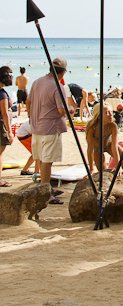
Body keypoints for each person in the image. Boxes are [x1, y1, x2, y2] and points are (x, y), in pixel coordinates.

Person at [26, 57, 70, 204]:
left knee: (41, 158)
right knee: (47, 161)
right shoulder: (58, 86)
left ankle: (46, 188)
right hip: (50, 128)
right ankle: (46, 193)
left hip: (36, 126)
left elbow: (28, 102)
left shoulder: (37, 82)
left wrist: (32, 117)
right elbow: (61, 110)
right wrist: (70, 110)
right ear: (63, 72)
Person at [86, 103, 123, 174]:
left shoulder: (112, 126)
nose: (111, 114)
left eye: (111, 112)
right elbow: (90, 149)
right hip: (97, 149)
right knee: (102, 173)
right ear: (99, 116)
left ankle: (115, 169)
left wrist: (118, 166)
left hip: (109, 145)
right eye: (107, 113)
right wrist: (91, 169)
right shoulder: (92, 128)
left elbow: (114, 147)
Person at [0, 66, 14, 187]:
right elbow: (4, 114)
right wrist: (9, 131)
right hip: (1, 125)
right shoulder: (2, 94)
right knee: (0, 154)